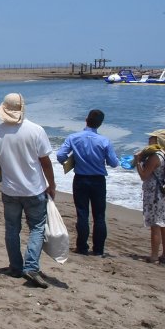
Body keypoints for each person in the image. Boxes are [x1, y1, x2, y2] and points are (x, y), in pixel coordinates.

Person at [0, 93, 56, 288]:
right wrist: (52, 184)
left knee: (12, 229)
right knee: (37, 228)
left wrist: (5, 159)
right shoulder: (36, 130)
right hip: (34, 189)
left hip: (10, 189)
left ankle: (16, 266)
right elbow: (45, 162)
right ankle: (31, 267)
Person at [56, 109, 119, 256]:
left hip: (81, 178)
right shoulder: (104, 141)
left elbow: (60, 155)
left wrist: (66, 162)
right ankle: (98, 249)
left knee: (82, 214)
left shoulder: (74, 137)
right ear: (100, 124)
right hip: (98, 180)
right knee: (99, 216)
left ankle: (82, 247)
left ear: (86, 119)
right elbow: (114, 163)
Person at [135, 129, 165, 264]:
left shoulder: (155, 157)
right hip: (164, 194)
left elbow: (144, 176)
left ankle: (154, 256)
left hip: (154, 194)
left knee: (155, 225)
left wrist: (138, 161)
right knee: (164, 225)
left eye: (152, 138)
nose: (149, 140)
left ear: (157, 141)